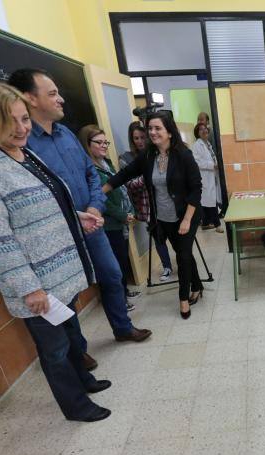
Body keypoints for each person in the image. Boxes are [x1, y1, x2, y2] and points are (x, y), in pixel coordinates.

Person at [0, 82, 111, 422]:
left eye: (25, 119)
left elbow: (49, 198)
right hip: (38, 284)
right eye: (12, 121)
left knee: (71, 333)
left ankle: (84, 380)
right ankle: (76, 406)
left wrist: (76, 215)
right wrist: (30, 289)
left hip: (60, 274)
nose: (23, 128)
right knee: (54, 350)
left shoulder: (23, 152)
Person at [8, 68, 151, 344]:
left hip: (92, 225)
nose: (60, 99)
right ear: (30, 98)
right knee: (66, 293)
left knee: (112, 274)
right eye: (52, 94)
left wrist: (96, 206)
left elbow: (90, 173)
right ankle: (78, 350)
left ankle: (122, 328)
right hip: (58, 233)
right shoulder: (23, 144)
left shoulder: (66, 134)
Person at [105, 111, 204, 320]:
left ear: (169, 131)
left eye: (157, 128)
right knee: (182, 252)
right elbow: (125, 174)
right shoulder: (148, 156)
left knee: (183, 255)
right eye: (150, 128)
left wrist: (186, 220)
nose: (152, 132)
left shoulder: (183, 155)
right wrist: (100, 191)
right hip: (162, 216)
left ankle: (183, 298)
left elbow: (196, 189)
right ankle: (197, 285)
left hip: (186, 214)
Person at [79, 125, 139, 312]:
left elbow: (119, 188)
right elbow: (99, 199)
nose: (104, 146)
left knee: (122, 259)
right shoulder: (90, 171)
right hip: (109, 224)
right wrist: (122, 215)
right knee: (114, 263)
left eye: (106, 142)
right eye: (100, 142)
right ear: (87, 144)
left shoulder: (107, 163)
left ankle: (124, 291)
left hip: (121, 221)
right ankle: (119, 299)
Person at [120, 121, 174, 282]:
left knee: (175, 235)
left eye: (143, 137)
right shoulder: (126, 158)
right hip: (145, 206)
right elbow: (128, 184)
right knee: (158, 238)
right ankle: (167, 266)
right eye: (136, 138)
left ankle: (183, 262)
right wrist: (148, 177)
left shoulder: (157, 153)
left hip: (165, 202)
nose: (140, 141)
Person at [193, 123, 223, 233]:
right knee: (211, 202)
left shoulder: (207, 143)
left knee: (207, 202)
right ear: (197, 133)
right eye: (201, 129)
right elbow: (197, 162)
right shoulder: (197, 145)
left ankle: (205, 223)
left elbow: (212, 157)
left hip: (211, 175)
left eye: (205, 129)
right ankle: (217, 224)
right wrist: (212, 165)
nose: (204, 131)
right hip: (205, 176)